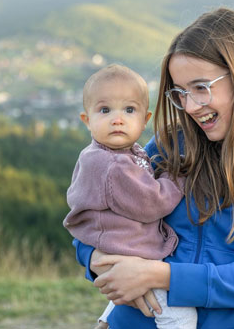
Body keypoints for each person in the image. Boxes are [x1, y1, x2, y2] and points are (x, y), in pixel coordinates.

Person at [73, 7, 234, 328]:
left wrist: (160, 275)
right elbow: (99, 215)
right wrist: (93, 258)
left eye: (201, 87)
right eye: (181, 92)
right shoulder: (171, 145)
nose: (191, 106)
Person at [63, 64, 198, 329]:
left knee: (132, 290)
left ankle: (107, 320)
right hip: (132, 254)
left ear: (144, 120)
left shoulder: (111, 154)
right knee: (181, 316)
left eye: (129, 110)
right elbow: (153, 203)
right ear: (87, 119)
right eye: (105, 110)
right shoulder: (114, 165)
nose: (118, 119)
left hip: (120, 250)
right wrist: (176, 176)